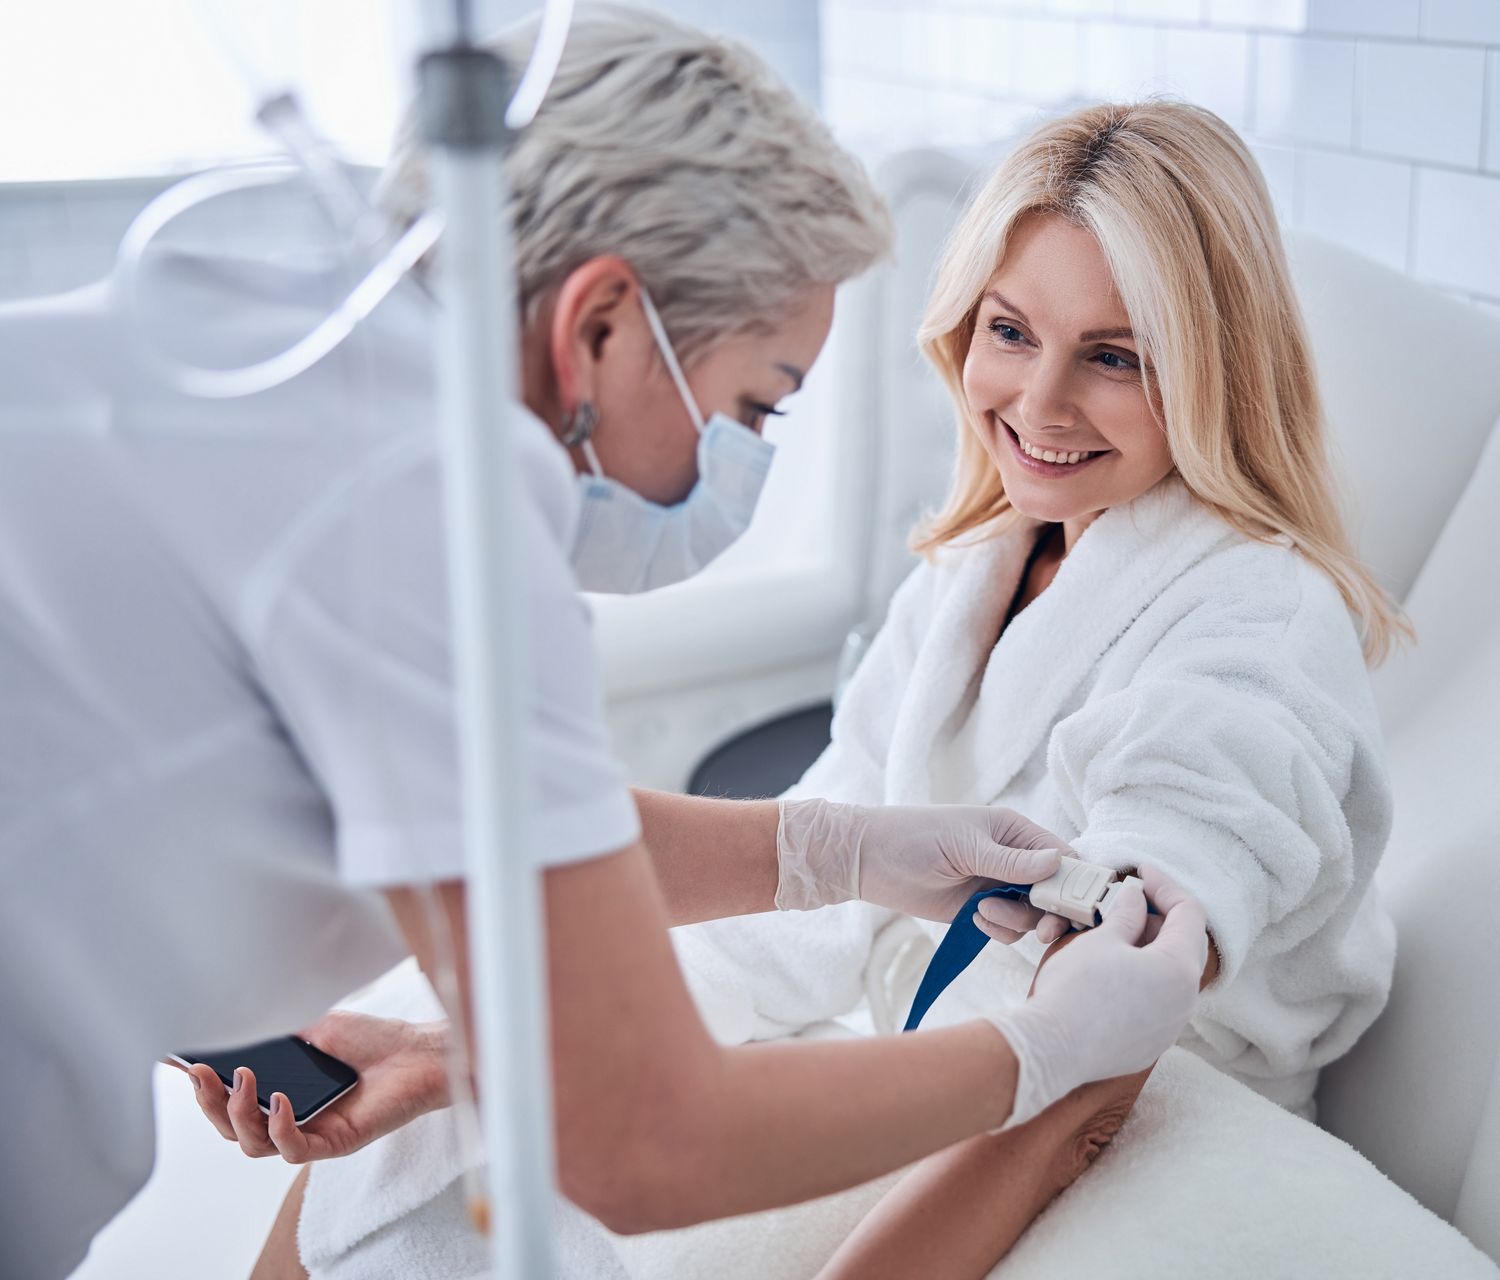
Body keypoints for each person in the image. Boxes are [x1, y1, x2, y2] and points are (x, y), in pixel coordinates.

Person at [0, 8, 1207, 1278]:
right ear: (599, 324)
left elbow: (509, 812)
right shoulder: (427, 505)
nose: (734, 462)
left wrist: (844, 846)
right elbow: (642, 1147)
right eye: (756, 403)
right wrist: (1043, 1054)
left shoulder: (247, 350)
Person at [234, 99, 1417, 1279]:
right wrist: (470, 1054)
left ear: (1214, 370)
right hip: (962, 1065)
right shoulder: (978, 566)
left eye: (1114, 357)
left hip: (1136, 1125)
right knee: (405, 1147)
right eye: (1011, 331)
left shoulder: (1258, 625)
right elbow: (804, 915)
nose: (1039, 404)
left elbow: (1112, 1036)